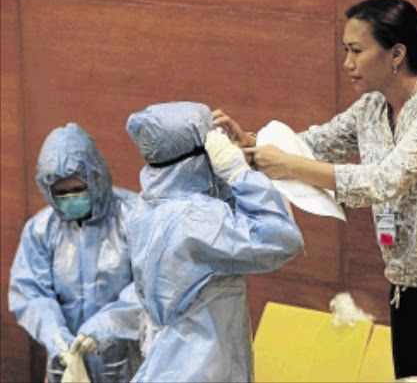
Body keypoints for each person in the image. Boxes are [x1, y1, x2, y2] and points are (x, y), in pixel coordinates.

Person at [212, 0, 417, 379]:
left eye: (356, 51)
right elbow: (313, 143)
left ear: (396, 53)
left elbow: (383, 181)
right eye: (345, 51)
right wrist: (249, 144)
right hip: (407, 287)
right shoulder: (372, 106)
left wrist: (291, 166)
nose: (347, 64)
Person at [124, 101, 304, 382]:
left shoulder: (150, 205)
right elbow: (281, 239)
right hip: (201, 365)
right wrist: (237, 173)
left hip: (174, 358)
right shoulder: (194, 217)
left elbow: (217, 210)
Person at [9, 123, 143, 382]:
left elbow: (151, 286)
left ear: (96, 179)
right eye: (61, 193)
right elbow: (30, 292)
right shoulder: (41, 229)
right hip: (65, 365)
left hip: (127, 364)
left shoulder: (135, 217)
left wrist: (106, 326)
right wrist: (55, 336)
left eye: (78, 189)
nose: (71, 198)